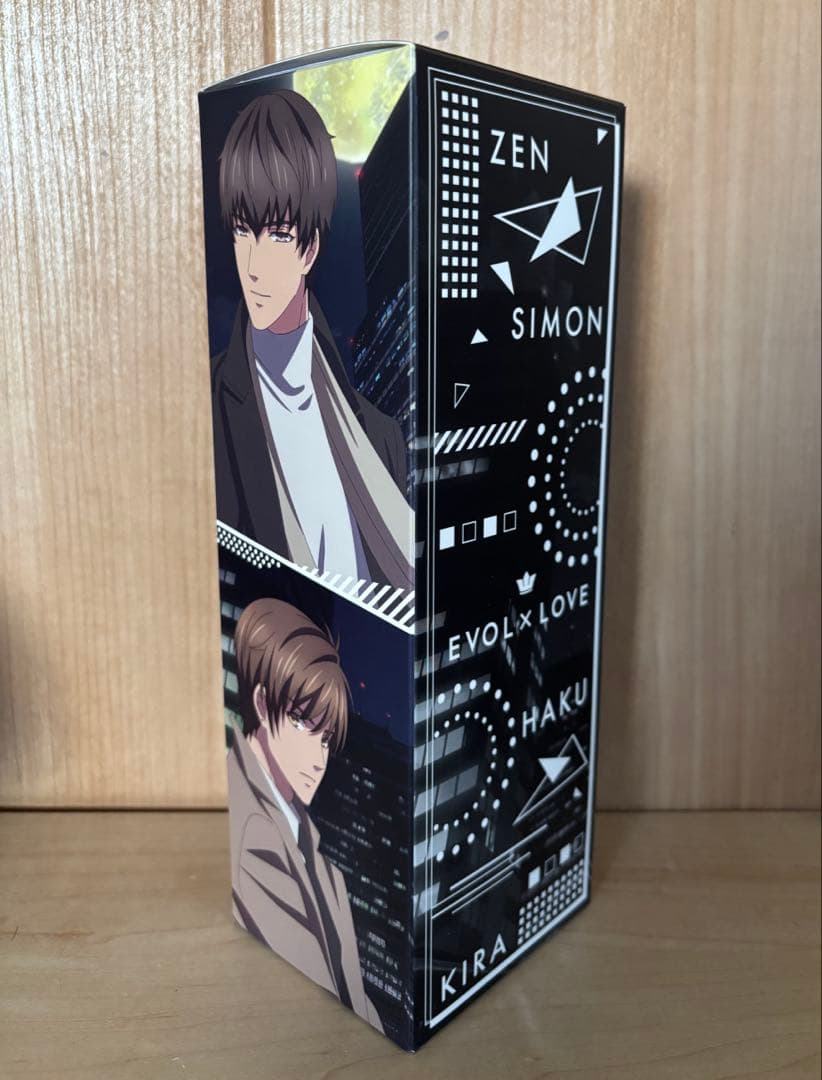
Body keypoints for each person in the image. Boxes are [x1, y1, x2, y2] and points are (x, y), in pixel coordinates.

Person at [211, 90, 413, 589]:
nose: (254, 266)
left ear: (309, 249)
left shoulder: (380, 437)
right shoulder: (214, 404)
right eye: (242, 231)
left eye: (278, 235)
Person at [228, 596, 383, 1033]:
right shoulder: (256, 832)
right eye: (302, 722)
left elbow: (353, 993)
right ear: (262, 705)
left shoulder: (312, 852)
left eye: (326, 738)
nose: (318, 758)